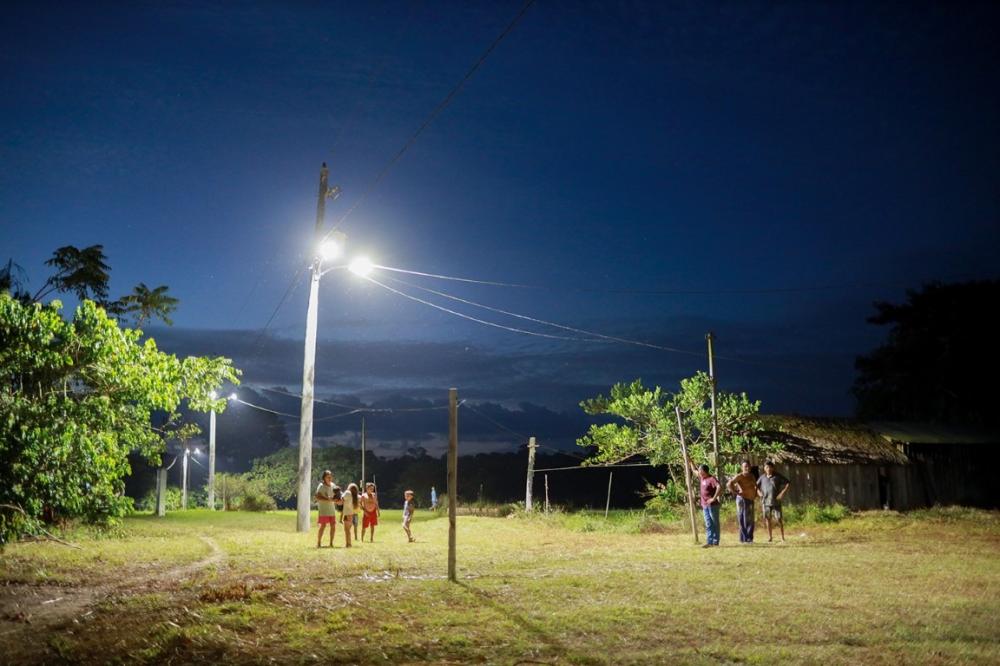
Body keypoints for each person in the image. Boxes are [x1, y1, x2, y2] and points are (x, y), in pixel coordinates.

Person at [757, 460, 791, 542]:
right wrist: (759, 493)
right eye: (766, 467)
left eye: (770, 467)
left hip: (776, 502)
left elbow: (788, 483)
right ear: (764, 468)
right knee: (768, 519)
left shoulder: (777, 476)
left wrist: (782, 493)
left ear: (773, 468)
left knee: (779, 519)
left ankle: (782, 537)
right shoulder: (762, 477)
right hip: (766, 502)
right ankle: (770, 537)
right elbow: (756, 486)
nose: (768, 469)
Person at [726, 460, 758, 544]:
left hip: (750, 499)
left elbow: (755, 486)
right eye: (745, 466)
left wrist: (755, 494)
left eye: (748, 466)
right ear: (742, 468)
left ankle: (748, 538)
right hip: (742, 499)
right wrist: (735, 492)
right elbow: (729, 484)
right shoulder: (739, 476)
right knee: (742, 518)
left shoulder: (751, 476)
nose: (747, 468)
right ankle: (745, 539)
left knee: (750, 519)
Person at [691, 462, 721, 547]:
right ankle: (709, 542)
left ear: (705, 471)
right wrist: (690, 461)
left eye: (700, 470)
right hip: (705, 506)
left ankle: (715, 541)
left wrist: (714, 498)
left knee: (715, 523)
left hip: (713, 506)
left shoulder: (711, 479)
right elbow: (694, 470)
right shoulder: (702, 478)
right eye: (699, 470)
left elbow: (719, 487)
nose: (699, 472)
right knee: (708, 524)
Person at [314, 470, 340, 548]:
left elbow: (336, 496)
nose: (329, 477)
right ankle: (318, 543)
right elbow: (317, 496)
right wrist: (328, 499)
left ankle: (331, 543)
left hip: (331, 509)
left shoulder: (333, 485)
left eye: (330, 476)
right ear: (324, 477)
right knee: (323, 526)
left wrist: (337, 500)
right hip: (324, 510)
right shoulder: (321, 486)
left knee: (333, 526)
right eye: (327, 476)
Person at [341, 483, 359, 548]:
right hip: (352, 514)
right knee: (348, 530)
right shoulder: (355, 496)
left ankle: (348, 544)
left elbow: (341, 500)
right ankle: (349, 543)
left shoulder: (348, 493)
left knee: (347, 530)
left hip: (347, 514)